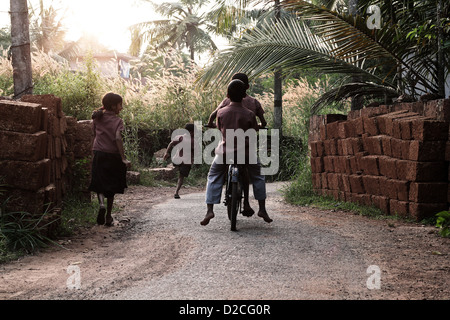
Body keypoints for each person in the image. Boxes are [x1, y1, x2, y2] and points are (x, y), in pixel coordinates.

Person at [201, 79, 272, 226]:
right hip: (246, 154)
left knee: (213, 176)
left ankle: (210, 210)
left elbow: (220, 129)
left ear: (227, 95)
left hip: (225, 153)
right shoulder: (250, 114)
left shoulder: (221, 112)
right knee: (258, 176)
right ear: (244, 94)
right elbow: (253, 131)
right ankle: (262, 209)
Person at [89, 92, 131, 226]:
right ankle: (108, 216)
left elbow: (93, 134)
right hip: (113, 155)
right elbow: (118, 138)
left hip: (99, 153)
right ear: (113, 106)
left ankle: (101, 204)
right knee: (111, 186)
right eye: (120, 105)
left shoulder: (97, 118)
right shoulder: (118, 121)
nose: (121, 108)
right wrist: (123, 158)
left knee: (99, 182)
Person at [163, 123, 195, 199]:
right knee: (181, 176)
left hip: (180, 160)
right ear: (190, 132)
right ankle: (176, 191)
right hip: (184, 161)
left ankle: (176, 192)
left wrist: (167, 152)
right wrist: (167, 152)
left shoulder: (182, 138)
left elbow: (171, 144)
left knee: (181, 175)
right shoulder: (190, 139)